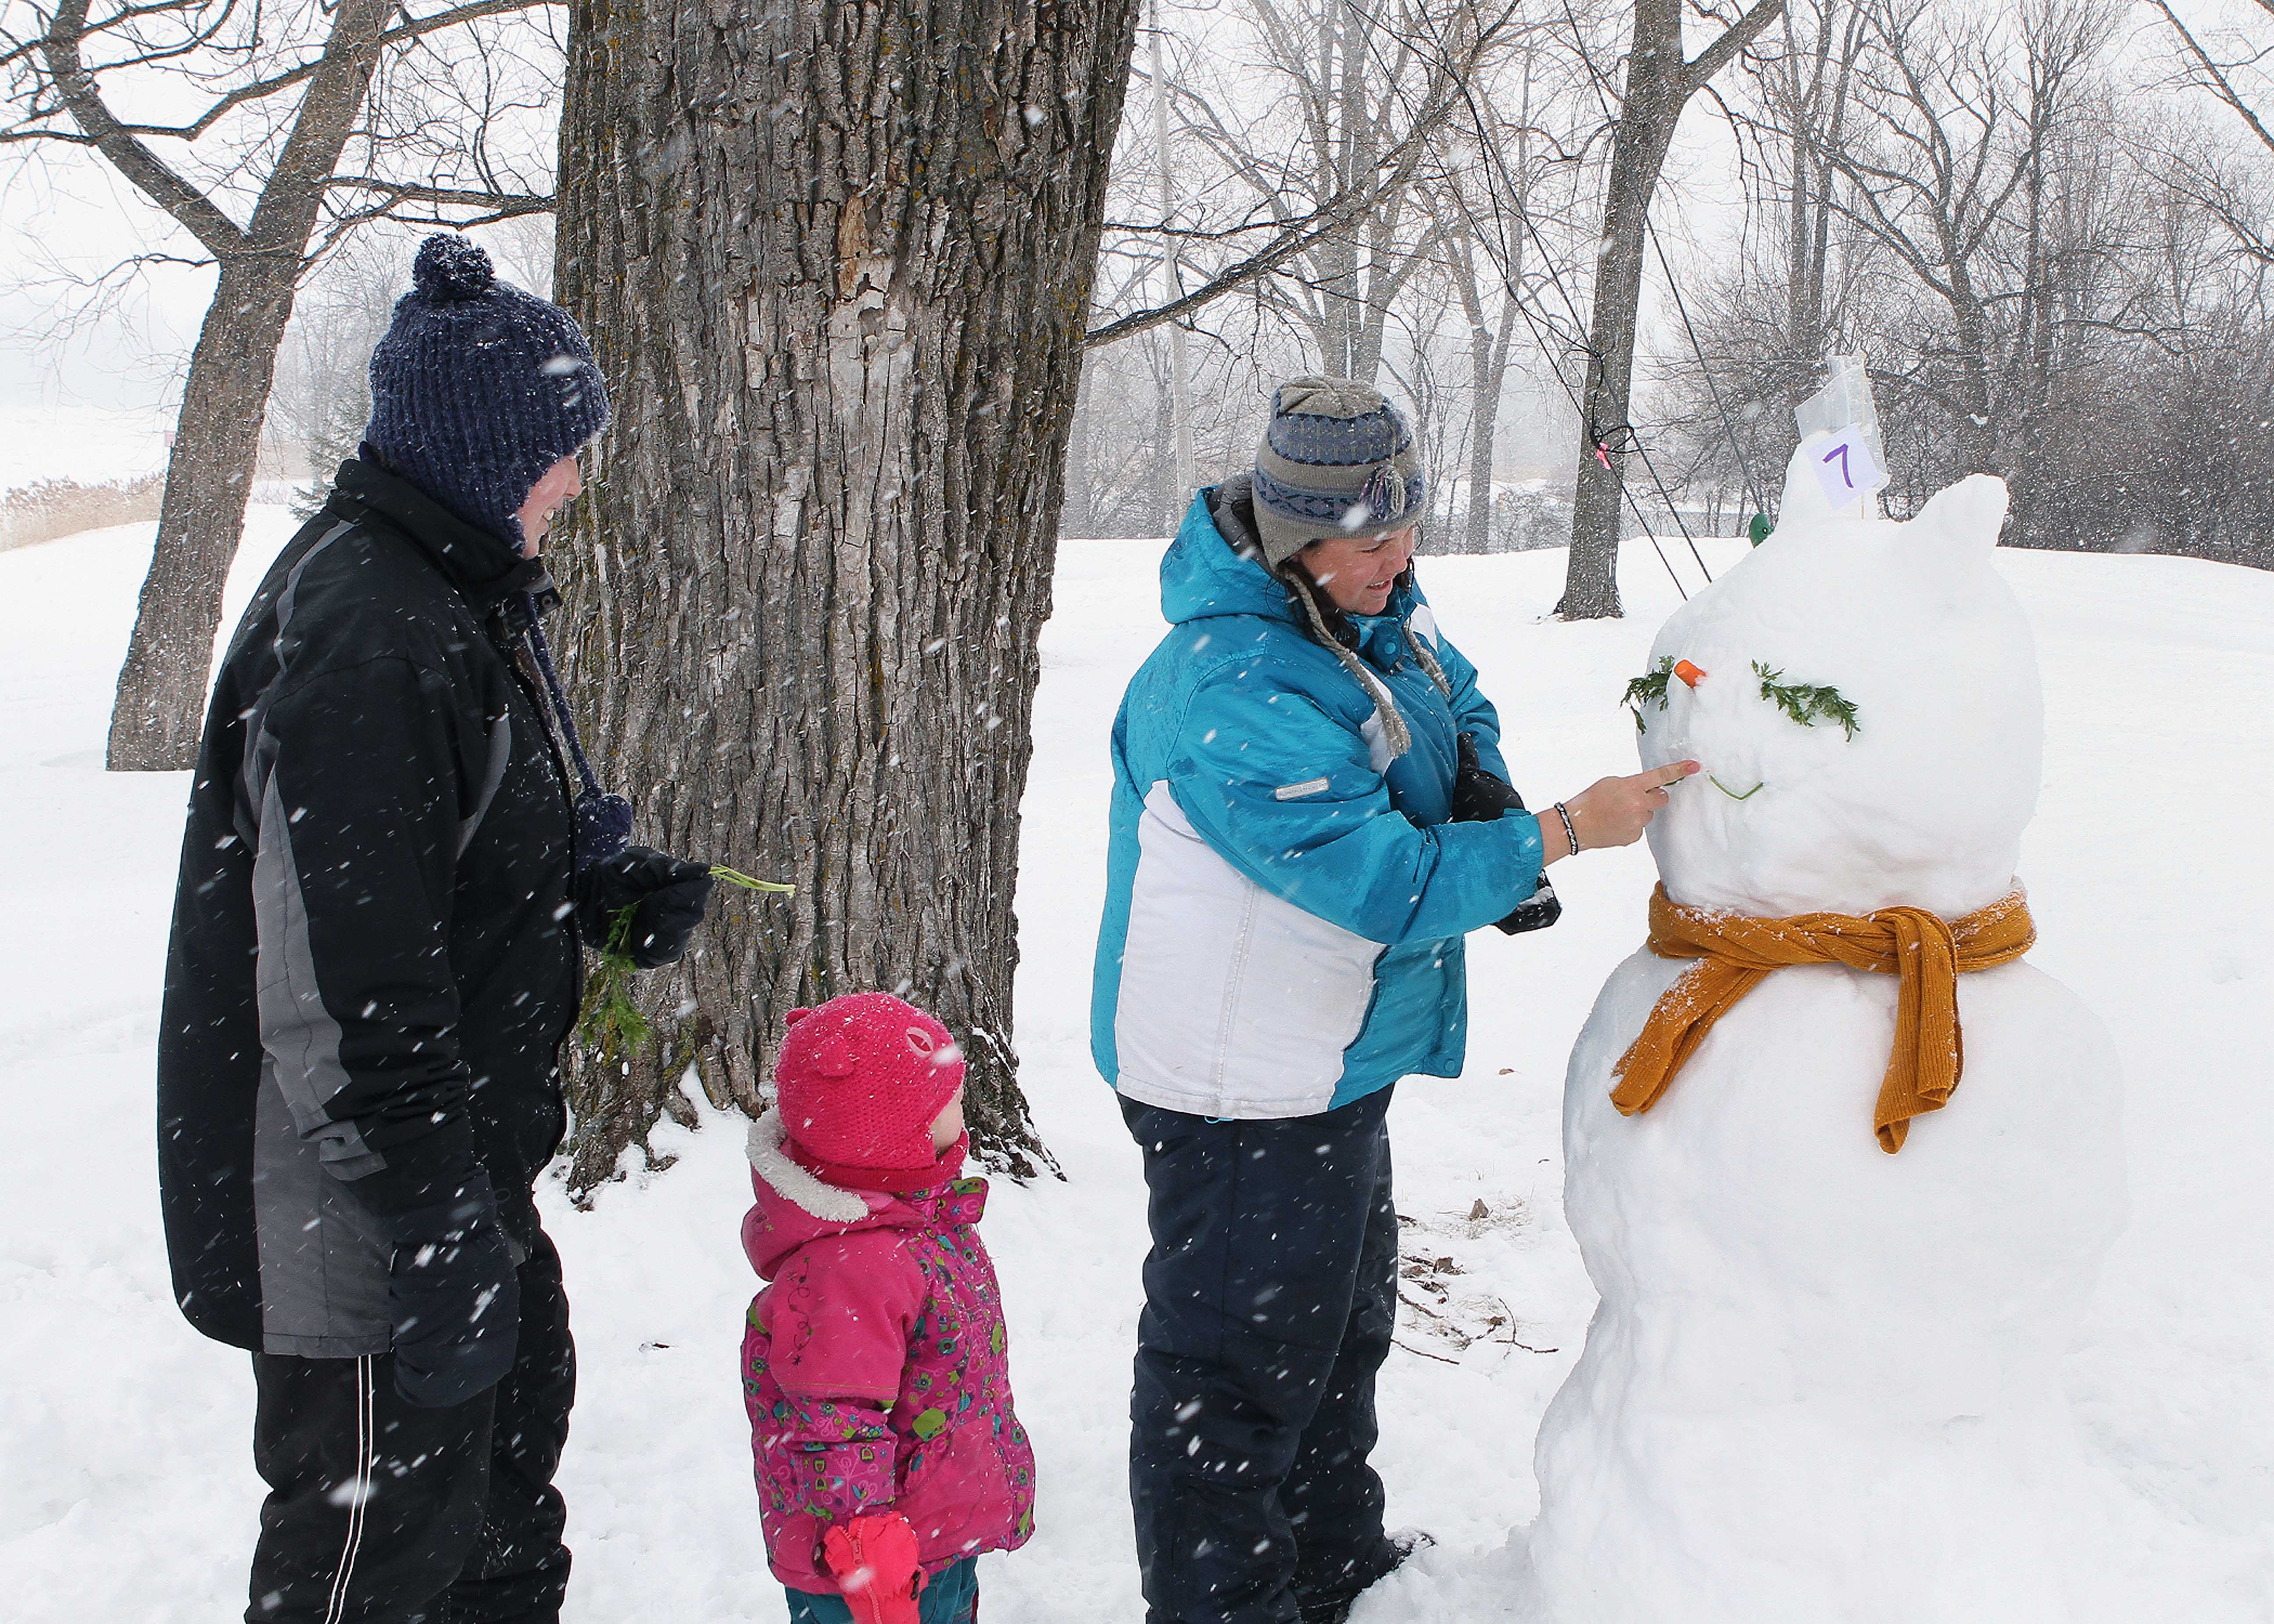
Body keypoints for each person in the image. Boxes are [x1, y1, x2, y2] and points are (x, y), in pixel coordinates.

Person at [157, 233, 715, 1624]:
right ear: (485, 451)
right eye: (565, 450)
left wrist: (588, 891)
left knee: (500, 1521)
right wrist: (426, 1229)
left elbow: (437, 864)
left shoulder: (454, 594)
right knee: (373, 1561)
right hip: (358, 1201)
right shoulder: (365, 636)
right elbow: (340, 986)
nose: (579, 481)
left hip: (456, 1167)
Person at [1091, 377, 1696, 1624]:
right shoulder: (1232, 684)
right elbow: (1375, 880)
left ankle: (1328, 1563)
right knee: (1234, 1374)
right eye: (1371, 538)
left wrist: (1476, 775)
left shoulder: (1356, 612)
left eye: (1406, 526)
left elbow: (1444, 687)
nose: (1399, 558)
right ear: (1291, 532)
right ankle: (1223, 1606)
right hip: (1235, 1081)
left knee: (1332, 1331)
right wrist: (1558, 833)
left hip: (1323, 1057)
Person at [739, 992, 1037, 1624]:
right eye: (950, 1101)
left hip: (933, 1536)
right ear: (896, 1136)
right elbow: (830, 1421)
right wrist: (864, 1546)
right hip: (878, 1568)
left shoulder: (920, 1226)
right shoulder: (854, 1268)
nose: (965, 1110)